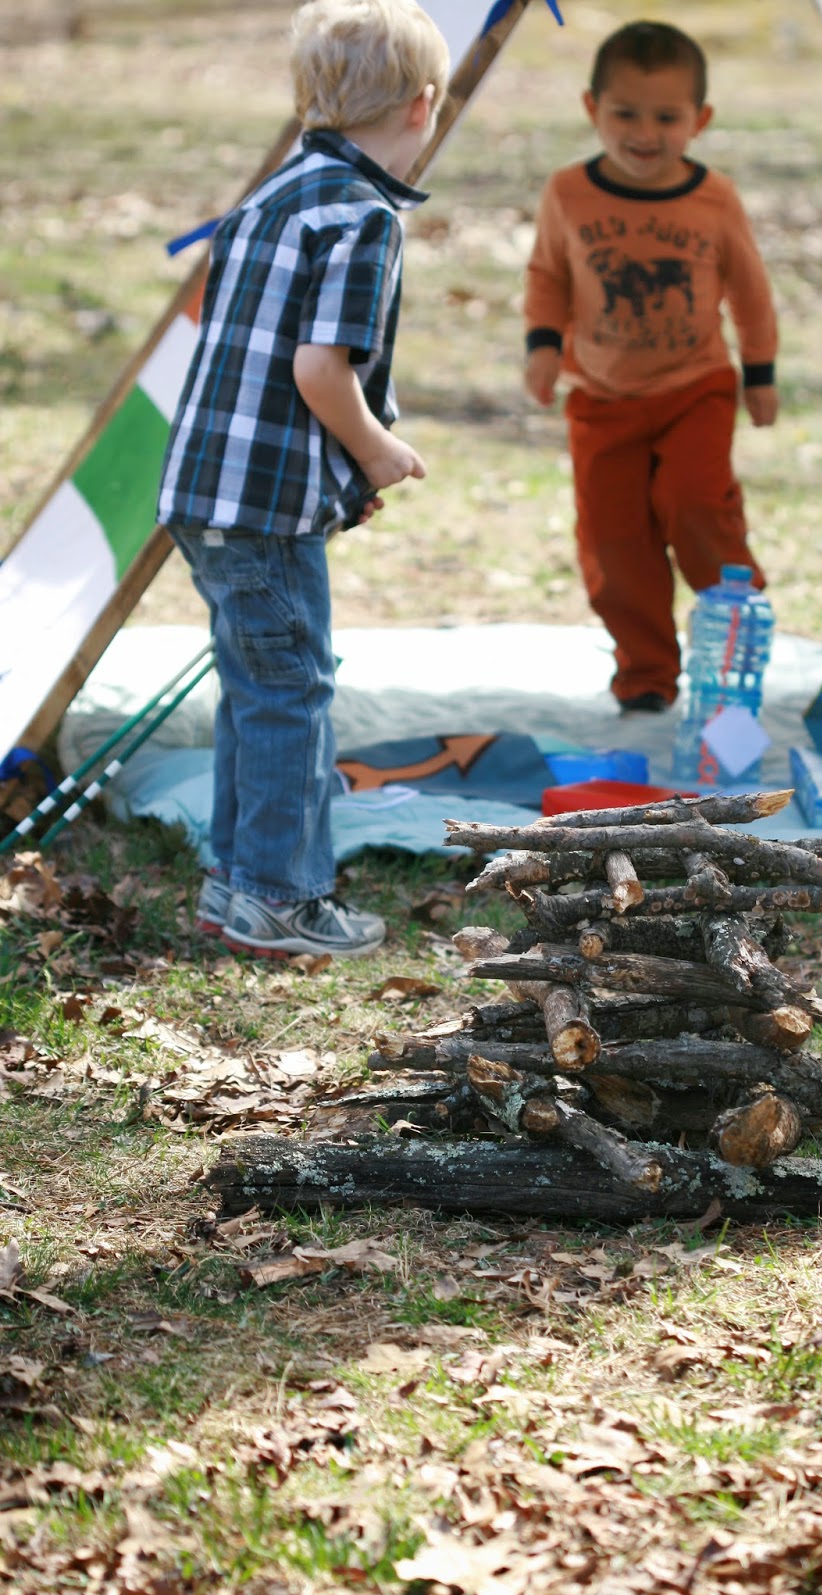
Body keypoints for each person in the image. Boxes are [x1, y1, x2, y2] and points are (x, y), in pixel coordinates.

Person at [157, 0, 449, 959]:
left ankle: (237, 883)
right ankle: (282, 895)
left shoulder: (275, 191)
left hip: (205, 490)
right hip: (266, 507)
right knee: (292, 688)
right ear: (423, 105)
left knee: (257, 685)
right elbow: (320, 372)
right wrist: (375, 449)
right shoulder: (361, 217)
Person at [523, 20, 778, 714]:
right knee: (614, 541)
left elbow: (749, 290)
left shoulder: (713, 199)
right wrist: (542, 345)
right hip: (601, 397)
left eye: (666, 116)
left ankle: (734, 622)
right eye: (624, 113)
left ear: (699, 120)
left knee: (695, 504)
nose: (645, 132)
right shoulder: (569, 192)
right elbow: (547, 273)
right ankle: (645, 677)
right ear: (591, 110)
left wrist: (760, 373)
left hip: (693, 387)